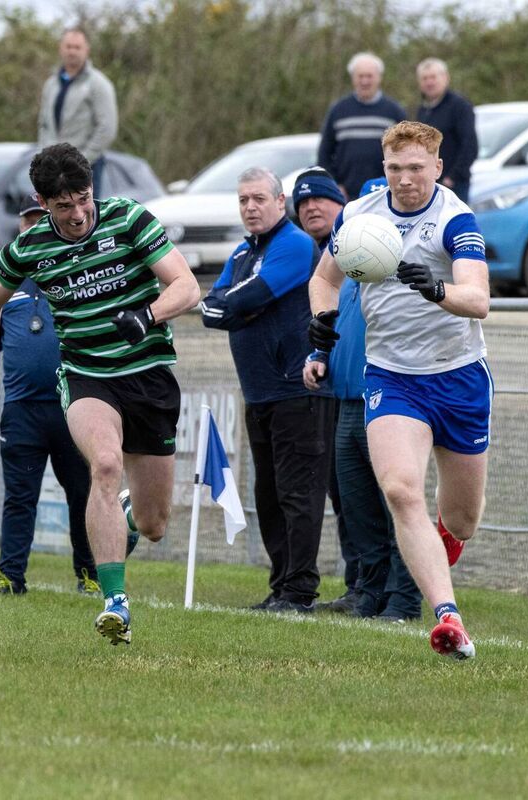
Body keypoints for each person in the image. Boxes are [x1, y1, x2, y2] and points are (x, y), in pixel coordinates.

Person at [0, 143, 200, 645]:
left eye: (82, 199)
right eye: (62, 206)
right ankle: (114, 603)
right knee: (103, 463)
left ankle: (125, 516)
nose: (77, 215)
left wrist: (149, 315)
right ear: (42, 202)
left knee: (155, 523)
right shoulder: (28, 248)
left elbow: (186, 285)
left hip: (148, 377)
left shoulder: (129, 219)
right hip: (86, 376)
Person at [308, 121, 492, 659]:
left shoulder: (456, 220)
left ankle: (444, 539)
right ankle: (448, 618)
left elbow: (479, 300)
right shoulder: (359, 217)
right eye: (394, 169)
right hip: (390, 375)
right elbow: (326, 279)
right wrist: (320, 318)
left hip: (458, 375)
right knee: (400, 490)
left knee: (462, 519)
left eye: (416, 168)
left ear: (437, 168)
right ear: (382, 168)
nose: (405, 179)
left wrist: (434, 288)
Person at [201, 167, 334, 613]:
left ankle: (299, 591)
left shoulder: (295, 244)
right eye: (243, 200)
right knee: (269, 495)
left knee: (298, 495)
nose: (251, 207)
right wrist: (234, 308)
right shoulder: (242, 251)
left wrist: (237, 308)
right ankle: (280, 586)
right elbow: (211, 308)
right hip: (257, 394)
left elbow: (241, 300)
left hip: (296, 391)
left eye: (259, 198)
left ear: (281, 202)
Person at [301, 177, 425, 623]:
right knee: (357, 507)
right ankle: (367, 592)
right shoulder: (353, 267)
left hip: (388, 397)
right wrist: (319, 353)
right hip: (348, 399)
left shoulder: (401, 268)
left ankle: (404, 598)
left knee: (396, 503)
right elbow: (336, 319)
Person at [0, 197, 98, 597]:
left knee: (83, 494)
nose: (33, 229)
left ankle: (89, 571)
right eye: (27, 223)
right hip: (22, 409)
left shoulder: (77, 270)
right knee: (19, 497)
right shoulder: (5, 282)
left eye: (40, 221)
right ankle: (12, 576)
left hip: (73, 405)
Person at [291, 167, 357, 611]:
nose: (312, 207)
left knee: (366, 493)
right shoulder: (306, 253)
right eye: (303, 202)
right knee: (342, 493)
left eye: (321, 199)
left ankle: (377, 588)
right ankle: (361, 585)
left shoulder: (360, 247)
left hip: (356, 390)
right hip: (321, 384)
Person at [37, 28, 118, 193]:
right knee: (55, 216)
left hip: (87, 167)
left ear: (86, 50)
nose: (72, 51)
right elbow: (43, 123)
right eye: (68, 46)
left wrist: (81, 160)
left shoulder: (98, 84)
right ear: (61, 48)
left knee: (84, 217)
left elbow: (107, 128)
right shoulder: (51, 84)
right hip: (53, 168)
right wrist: (45, 154)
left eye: (77, 47)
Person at [318, 52, 407, 199]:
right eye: (360, 76)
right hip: (345, 195)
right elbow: (324, 153)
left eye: (369, 76)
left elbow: (405, 153)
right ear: (353, 78)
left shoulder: (394, 112)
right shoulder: (338, 110)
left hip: (386, 193)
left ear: (379, 77)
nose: (364, 81)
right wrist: (334, 185)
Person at [414, 58, 477, 202]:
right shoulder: (423, 110)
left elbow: (470, 145)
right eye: (425, 78)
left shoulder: (460, 106)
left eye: (433, 77)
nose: (429, 82)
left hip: (453, 185)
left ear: (445, 78)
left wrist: (452, 178)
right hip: (428, 183)